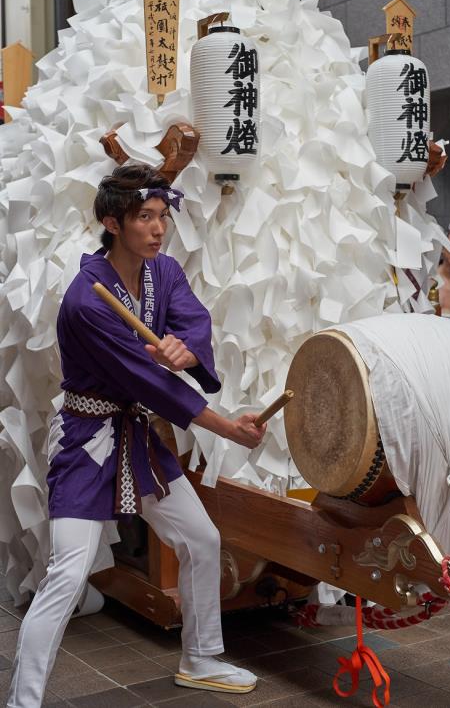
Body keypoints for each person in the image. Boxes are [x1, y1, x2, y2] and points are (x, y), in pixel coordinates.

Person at [7, 164, 266, 707]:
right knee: (69, 573)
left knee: (202, 539)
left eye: (162, 216)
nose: (157, 228)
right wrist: (227, 428)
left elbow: (193, 320)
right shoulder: (87, 300)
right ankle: (23, 700)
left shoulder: (162, 272)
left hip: (137, 439)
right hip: (87, 441)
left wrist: (187, 349)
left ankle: (200, 658)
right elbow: (150, 384)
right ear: (111, 223)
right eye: (144, 217)